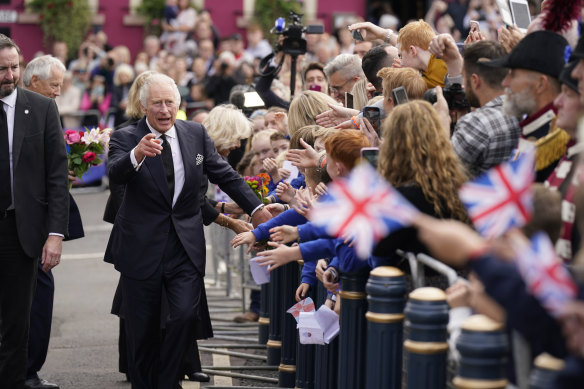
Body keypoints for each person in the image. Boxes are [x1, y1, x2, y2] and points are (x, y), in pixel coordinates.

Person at [104, 73, 271, 389]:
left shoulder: (194, 133)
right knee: (143, 333)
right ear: (144, 106)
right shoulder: (126, 137)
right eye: (157, 103)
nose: (164, 109)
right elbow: (115, 174)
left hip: (185, 246)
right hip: (141, 248)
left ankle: (167, 382)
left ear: (178, 105)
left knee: (183, 316)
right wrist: (137, 155)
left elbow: (227, 176)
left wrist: (257, 209)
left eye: (170, 102)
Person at [0, 35, 69, 389]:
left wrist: (55, 234)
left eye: (14, 67)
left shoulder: (40, 109)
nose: (9, 75)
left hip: (20, 232)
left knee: (16, 324)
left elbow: (57, 176)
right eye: (2, 69)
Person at [22, 54, 85, 389]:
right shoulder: (22, 112)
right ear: (34, 83)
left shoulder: (47, 111)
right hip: (19, 227)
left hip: (40, 227)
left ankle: (29, 370)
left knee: (40, 299)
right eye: (55, 85)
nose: (59, 92)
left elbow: (52, 171)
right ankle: (24, 371)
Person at [484, 30, 570, 182]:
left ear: (540, 84)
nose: (505, 82)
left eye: (513, 74)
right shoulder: (534, 126)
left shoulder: (556, 140)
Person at [429, 36, 520, 177]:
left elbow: (439, 174)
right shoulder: (522, 108)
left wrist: (440, 125)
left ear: (475, 81)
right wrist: (453, 61)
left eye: (464, 78)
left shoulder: (476, 124)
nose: (463, 86)